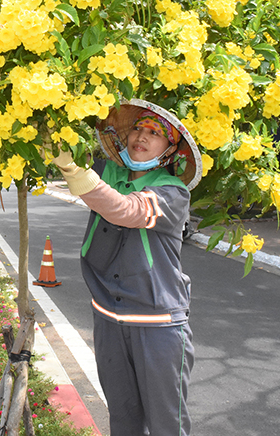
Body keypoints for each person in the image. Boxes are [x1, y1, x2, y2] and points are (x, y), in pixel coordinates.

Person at [50, 99, 202, 436]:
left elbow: (124, 210)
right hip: (108, 320)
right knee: (122, 422)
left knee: (167, 426)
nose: (142, 136)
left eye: (155, 133)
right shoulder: (109, 172)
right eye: (138, 128)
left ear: (170, 150)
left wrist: (72, 170)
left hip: (158, 327)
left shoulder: (172, 194)